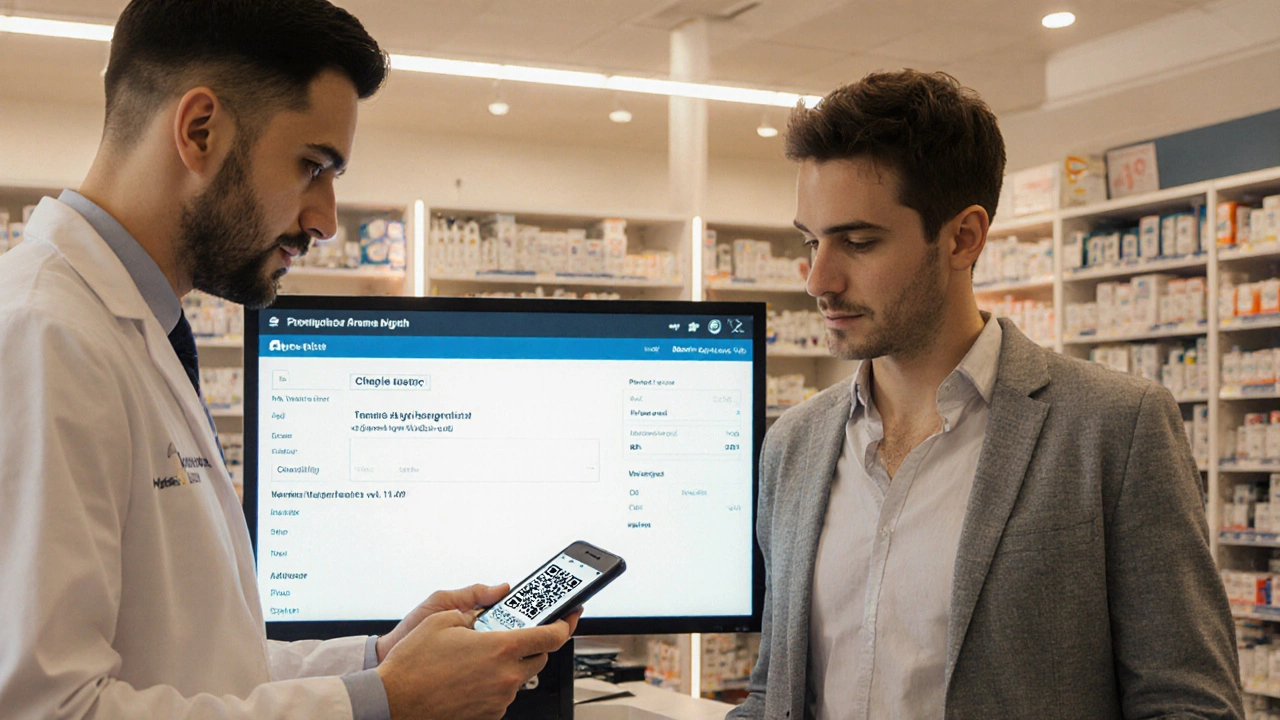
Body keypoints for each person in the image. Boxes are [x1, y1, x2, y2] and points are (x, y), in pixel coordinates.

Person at [0, 2, 575, 719]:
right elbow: (48, 709)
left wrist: (380, 662)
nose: (325, 219)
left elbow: (198, 661)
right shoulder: (41, 333)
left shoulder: (132, 328)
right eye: (312, 167)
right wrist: (383, 706)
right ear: (199, 131)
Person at [727, 70, 1242, 720]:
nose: (819, 279)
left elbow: (1189, 704)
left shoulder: (1116, 428)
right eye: (810, 241)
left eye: (858, 242)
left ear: (963, 237)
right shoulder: (793, 446)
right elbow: (777, 694)